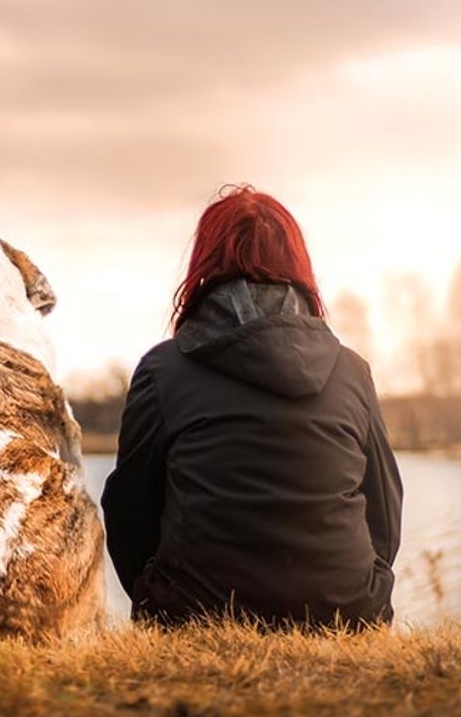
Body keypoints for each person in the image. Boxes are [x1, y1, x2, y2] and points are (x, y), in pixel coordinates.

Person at [101, 185, 403, 629]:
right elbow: (384, 510)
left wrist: (157, 597)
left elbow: (129, 511)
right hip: (345, 613)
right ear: (298, 265)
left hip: (195, 614)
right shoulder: (351, 371)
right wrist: (359, 589)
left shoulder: (163, 370)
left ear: (205, 264)